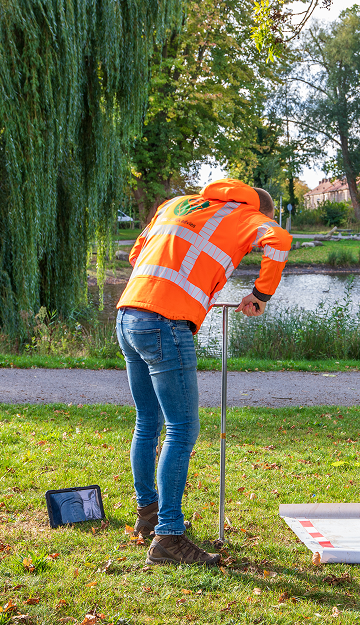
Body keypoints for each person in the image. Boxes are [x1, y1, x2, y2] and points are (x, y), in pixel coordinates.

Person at [116, 178, 291, 566]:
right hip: (165, 322)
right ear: (260, 209)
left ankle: (148, 517)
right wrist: (260, 294)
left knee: (148, 421)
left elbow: (136, 254)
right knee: (182, 429)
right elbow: (279, 241)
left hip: (129, 314)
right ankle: (169, 538)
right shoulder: (248, 216)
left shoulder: (176, 204)